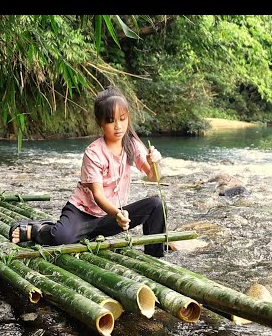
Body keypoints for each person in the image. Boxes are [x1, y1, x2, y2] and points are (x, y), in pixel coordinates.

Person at [8, 86, 166, 257]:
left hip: (110, 216)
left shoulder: (132, 145)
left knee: (156, 205)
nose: (118, 126)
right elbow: (98, 196)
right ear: (100, 122)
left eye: (122, 119)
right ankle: (39, 229)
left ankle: (155, 257)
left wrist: (155, 163)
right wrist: (118, 214)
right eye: (111, 120)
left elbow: (153, 177)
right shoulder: (94, 152)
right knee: (60, 237)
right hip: (82, 213)